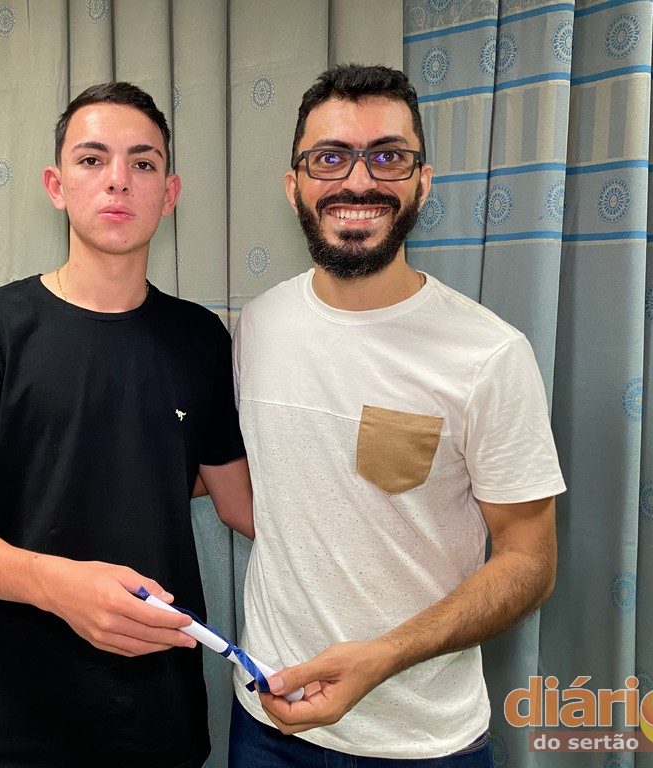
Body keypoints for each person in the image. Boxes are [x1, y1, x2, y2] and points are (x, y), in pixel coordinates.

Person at [0, 81, 253, 768]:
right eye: (92, 160)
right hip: (16, 718)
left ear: (169, 193)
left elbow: (241, 503)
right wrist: (59, 586)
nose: (118, 179)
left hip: (159, 718)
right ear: (56, 186)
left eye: (143, 163)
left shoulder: (200, 338)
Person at [228, 64, 566, 766]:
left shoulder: (489, 354)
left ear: (423, 181)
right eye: (329, 158)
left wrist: (383, 656)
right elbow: (283, 497)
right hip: (265, 720)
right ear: (294, 185)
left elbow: (530, 561)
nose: (358, 182)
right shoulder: (257, 327)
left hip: (424, 741)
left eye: (388, 157)